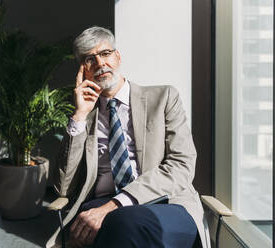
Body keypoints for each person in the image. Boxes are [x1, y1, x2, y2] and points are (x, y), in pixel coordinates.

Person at [46, 26, 210, 248]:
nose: (100, 63)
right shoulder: (86, 117)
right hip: (99, 204)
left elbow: (182, 165)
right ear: (83, 70)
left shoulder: (163, 98)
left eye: (105, 54)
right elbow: (63, 187)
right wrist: (79, 116)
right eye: (89, 59)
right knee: (113, 226)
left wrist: (116, 205)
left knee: (122, 222)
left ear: (118, 56)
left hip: (165, 201)